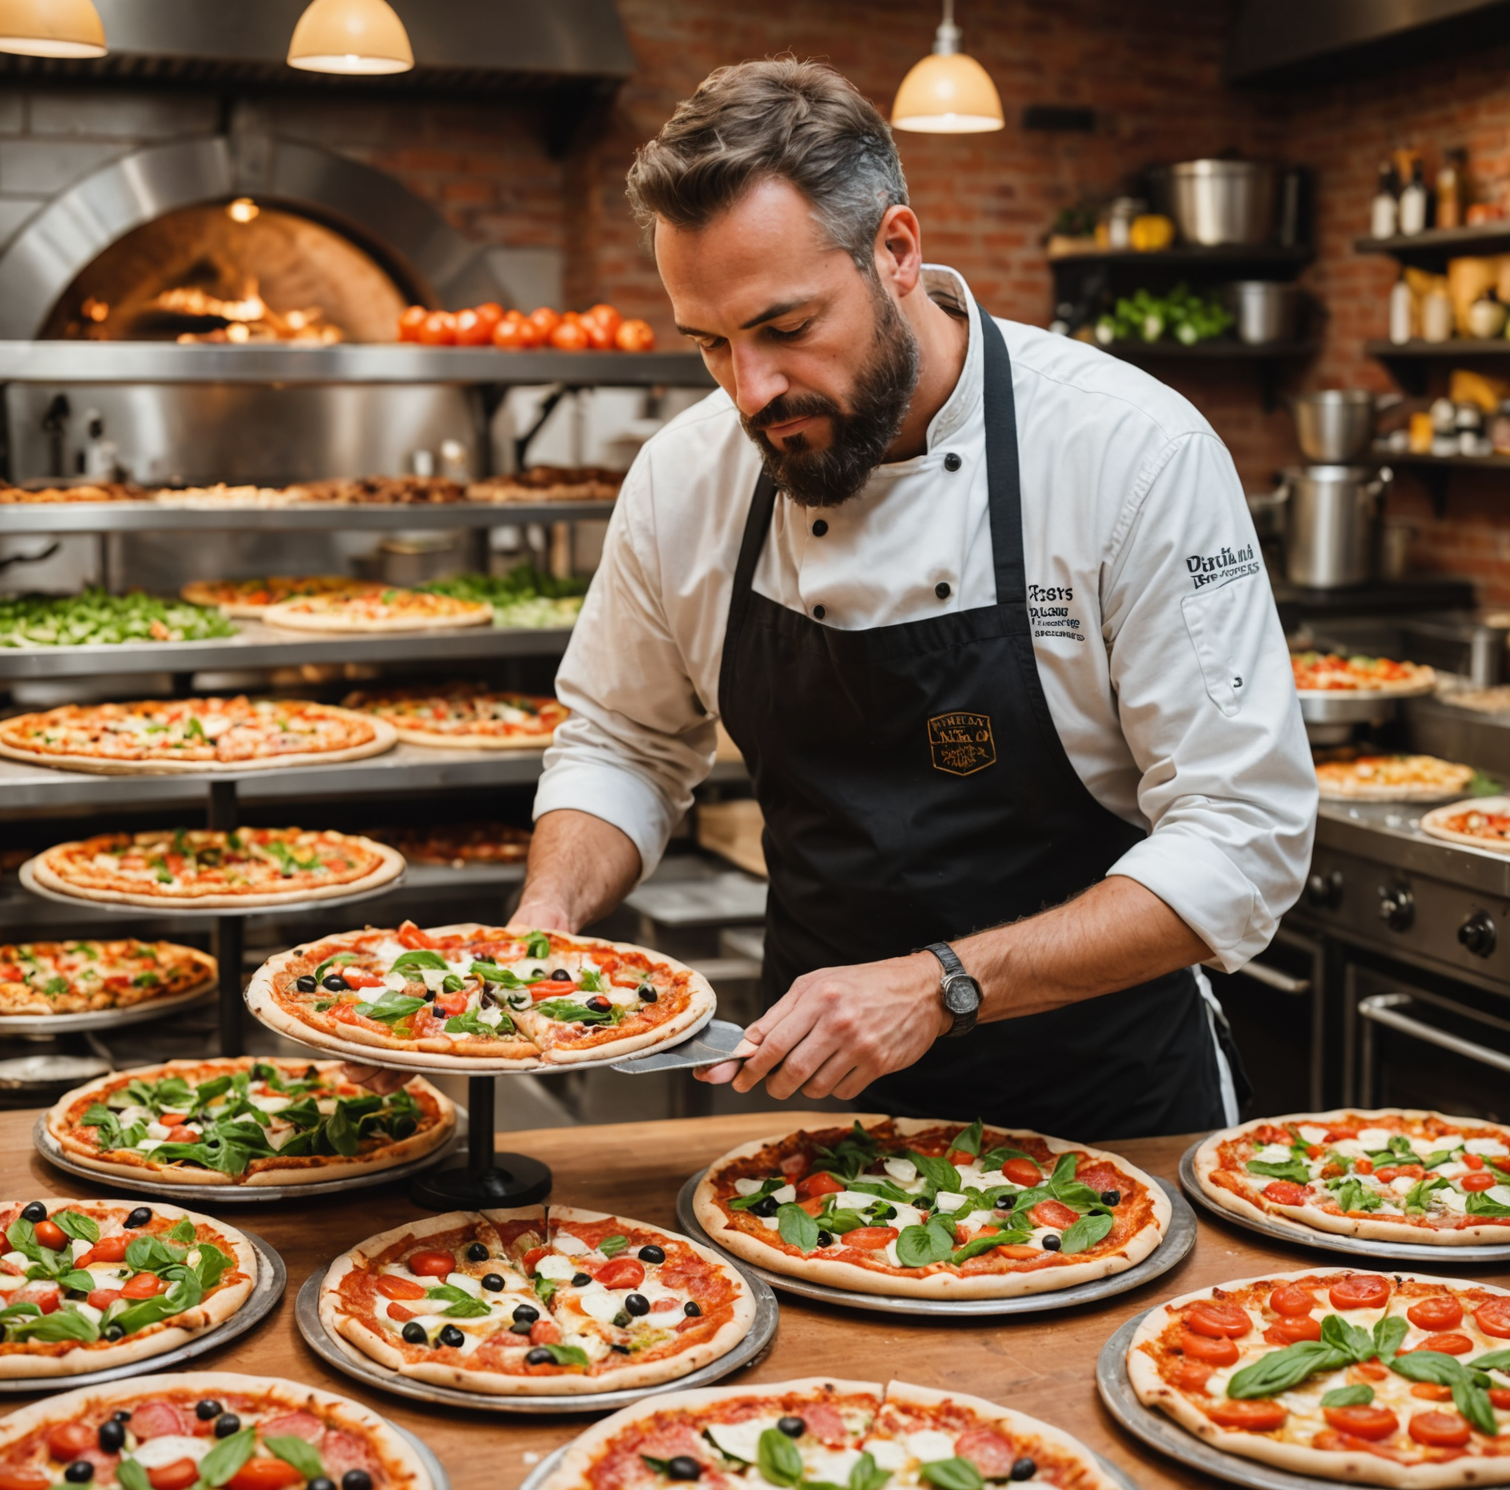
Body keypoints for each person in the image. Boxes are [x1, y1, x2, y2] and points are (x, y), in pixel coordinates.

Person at [512, 58, 1317, 1140]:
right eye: (710, 343)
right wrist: (550, 911)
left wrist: (940, 986)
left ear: (896, 251)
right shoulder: (685, 476)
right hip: (817, 1114)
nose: (751, 391)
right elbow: (624, 741)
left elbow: (1244, 834)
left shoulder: (1130, 452)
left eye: (785, 327)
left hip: (1110, 1113)